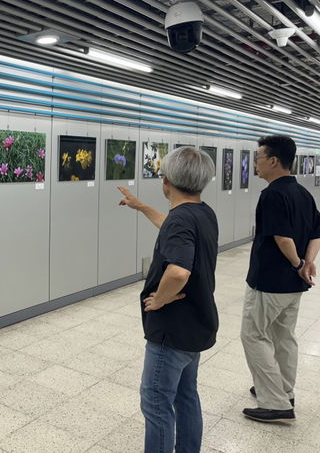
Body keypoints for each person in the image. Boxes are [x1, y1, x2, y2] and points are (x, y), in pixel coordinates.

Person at [118, 146, 218, 453]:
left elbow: (178, 271)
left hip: (172, 332)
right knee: (186, 396)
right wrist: (142, 207)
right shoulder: (202, 213)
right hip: (195, 327)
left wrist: (160, 299)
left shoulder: (180, 220)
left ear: (166, 182)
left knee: (156, 403)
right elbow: (172, 228)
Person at [240, 135, 320, 423]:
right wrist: (308, 263)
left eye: (258, 157)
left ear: (273, 161)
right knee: (283, 337)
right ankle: (284, 391)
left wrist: (299, 262)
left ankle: (275, 401)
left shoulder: (273, 194)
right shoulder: (303, 194)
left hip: (270, 281)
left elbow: (281, 237)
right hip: (293, 284)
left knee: (253, 335)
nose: (256, 163)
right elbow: (316, 233)